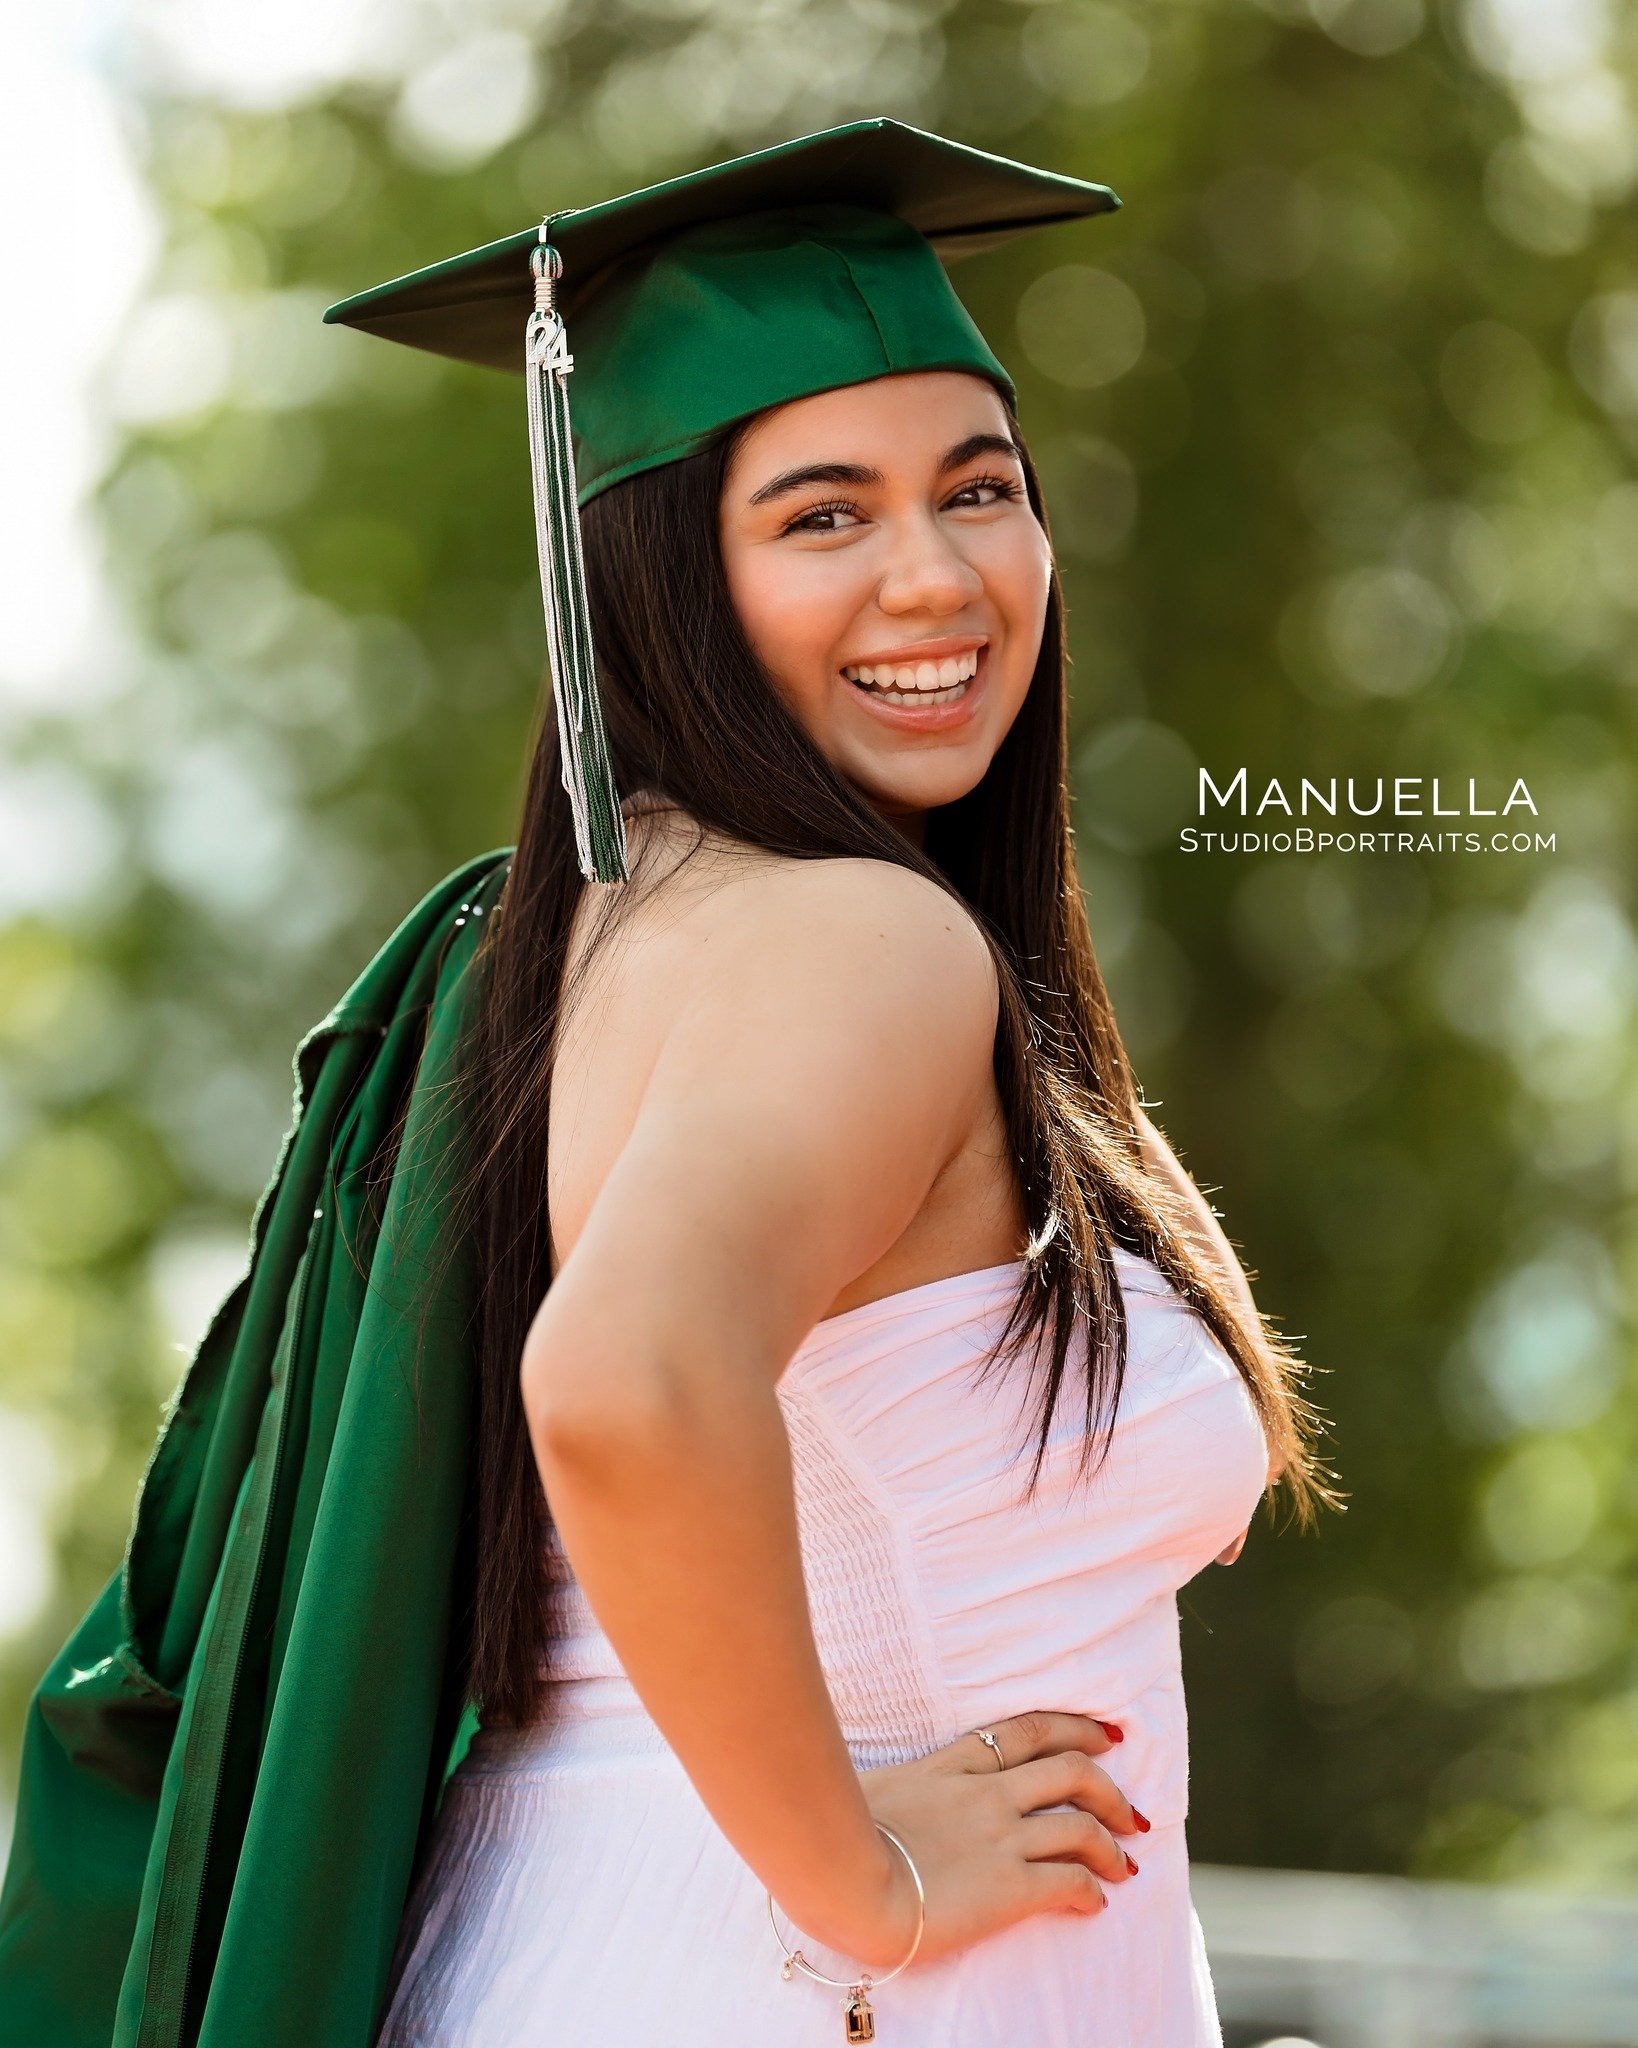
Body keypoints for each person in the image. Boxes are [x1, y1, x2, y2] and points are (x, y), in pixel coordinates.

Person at [321, 118, 1335, 2045]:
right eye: (819, 516)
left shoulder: (599, 938)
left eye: (979, 488)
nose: (937, 578)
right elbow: (622, 1384)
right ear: (656, 573)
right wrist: (854, 1888)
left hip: (607, 1932)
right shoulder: (866, 946)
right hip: (833, 1983)